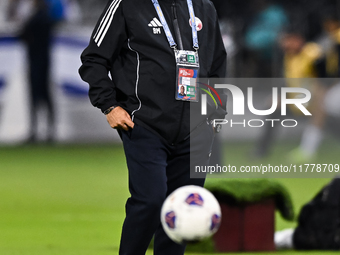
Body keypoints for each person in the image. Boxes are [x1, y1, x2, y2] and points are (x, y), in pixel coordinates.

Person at [79, 0, 227, 254]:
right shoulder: (126, 4)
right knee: (150, 201)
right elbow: (93, 59)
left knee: (182, 209)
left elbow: (216, 66)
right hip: (144, 123)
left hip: (195, 129)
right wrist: (109, 105)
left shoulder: (204, 7)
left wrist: (214, 115)